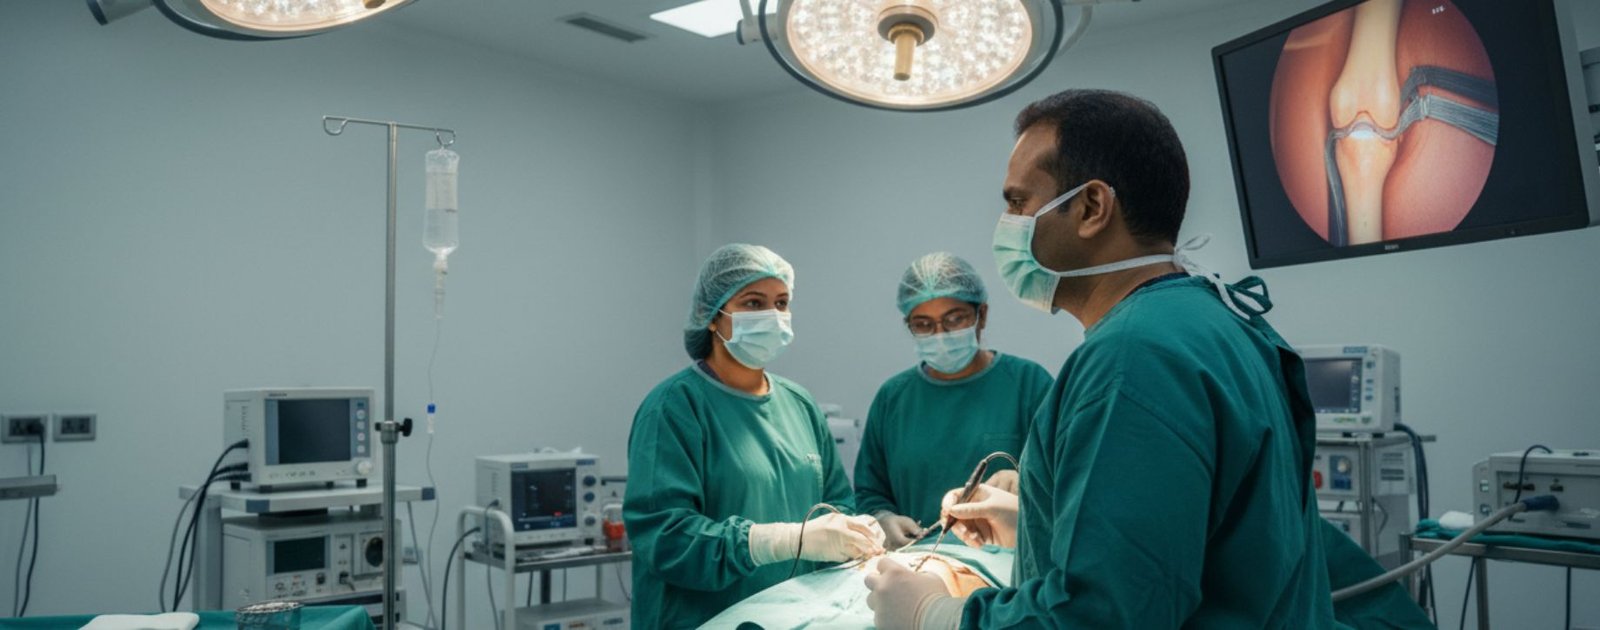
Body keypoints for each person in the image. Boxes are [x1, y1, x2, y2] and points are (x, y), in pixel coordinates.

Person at [864, 90, 1428, 628]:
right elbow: (1215, 540)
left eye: (1017, 202)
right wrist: (1040, 527)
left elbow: (1101, 616)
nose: (1006, 223)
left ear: (1091, 208)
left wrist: (935, 615)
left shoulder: (1131, 359)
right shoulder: (1212, 320)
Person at [625, 243, 884, 629]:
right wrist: (779, 541)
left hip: (791, 618)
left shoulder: (800, 404)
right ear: (712, 315)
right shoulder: (674, 407)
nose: (772, 315)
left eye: (781, 303)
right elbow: (665, 539)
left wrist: (854, 531)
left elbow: (837, 504)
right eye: (753, 303)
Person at [854, 252, 1053, 546]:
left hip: (1009, 562)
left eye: (955, 319)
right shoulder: (893, 398)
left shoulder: (1029, 384)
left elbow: (1068, 476)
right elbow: (870, 491)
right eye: (923, 324)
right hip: (919, 561)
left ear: (981, 315)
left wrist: (1024, 481)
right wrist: (881, 519)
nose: (940, 334)